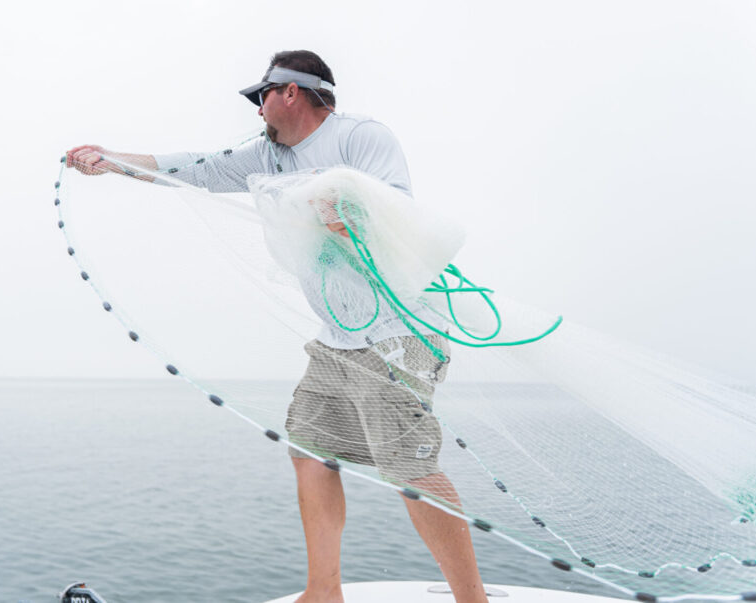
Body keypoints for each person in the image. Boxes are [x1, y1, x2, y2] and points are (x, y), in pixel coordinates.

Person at [66, 50, 488, 603]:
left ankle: (471, 601)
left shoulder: (360, 137)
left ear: (291, 92)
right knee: (310, 448)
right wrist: (112, 160)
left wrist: (351, 215)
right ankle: (323, 593)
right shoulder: (265, 156)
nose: (257, 109)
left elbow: (401, 211)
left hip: (398, 333)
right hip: (337, 340)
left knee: (407, 466)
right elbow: (195, 167)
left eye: (260, 95)